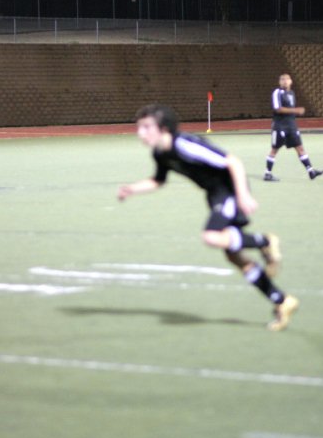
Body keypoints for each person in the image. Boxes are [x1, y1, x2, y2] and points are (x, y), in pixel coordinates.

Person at [118, 104, 299, 331]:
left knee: (212, 236)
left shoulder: (184, 145)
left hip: (230, 190)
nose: (140, 133)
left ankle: (265, 241)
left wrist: (243, 195)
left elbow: (233, 162)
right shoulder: (160, 152)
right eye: (139, 128)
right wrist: (132, 189)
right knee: (234, 257)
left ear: (163, 128)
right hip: (215, 196)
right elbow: (158, 180)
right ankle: (281, 301)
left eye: (146, 127)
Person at [263, 73, 323, 182]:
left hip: (291, 126)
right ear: (279, 82)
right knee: (274, 150)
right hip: (279, 126)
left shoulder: (291, 93)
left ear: (291, 81)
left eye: (287, 79)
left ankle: (311, 171)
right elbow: (277, 109)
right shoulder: (277, 92)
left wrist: (293, 115)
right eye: (282, 79)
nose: (285, 81)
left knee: (300, 148)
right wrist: (295, 110)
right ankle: (267, 173)